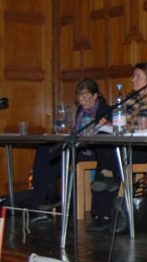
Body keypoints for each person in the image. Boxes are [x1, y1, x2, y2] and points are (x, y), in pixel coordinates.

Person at [87, 62, 147, 232]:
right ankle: (102, 213)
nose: (133, 80)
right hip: (127, 148)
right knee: (104, 139)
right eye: (133, 76)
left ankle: (105, 212)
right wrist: (110, 124)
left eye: (138, 77)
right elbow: (123, 127)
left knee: (110, 159)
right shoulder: (129, 102)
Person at [29, 79, 112, 226]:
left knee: (58, 158)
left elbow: (110, 133)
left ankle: (50, 199)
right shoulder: (80, 111)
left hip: (93, 151)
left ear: (95, 96)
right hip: (77, 147)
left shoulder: (106, 110)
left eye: (85, 97)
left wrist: (106, 125)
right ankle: (43, 202)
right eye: (79, 97)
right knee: (44, 151)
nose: (82, 101)